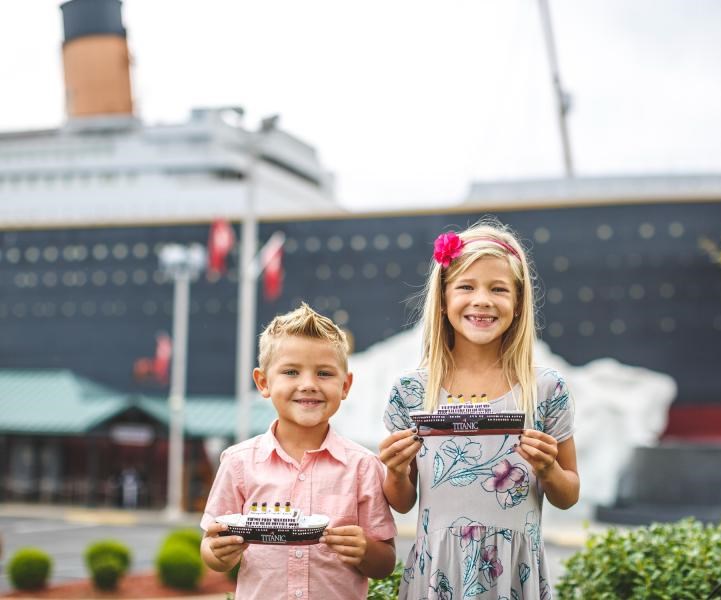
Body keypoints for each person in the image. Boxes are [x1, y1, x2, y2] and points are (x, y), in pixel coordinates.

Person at [380, 220, 579, 599]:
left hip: (513, 572)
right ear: (443, 299)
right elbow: (402, 502)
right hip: (437, 570)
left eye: (498, 289)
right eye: (466, 286)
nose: (482, 300)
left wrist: (549, 469)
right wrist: (393, 468)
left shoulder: (545, 388)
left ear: (518, 303)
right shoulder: (411, 391)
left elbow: (568, 495)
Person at [200, 303, 397, 600]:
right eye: (291, 372)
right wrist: (218, 554)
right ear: (263, 382)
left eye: (324, 373)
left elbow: (386, 562)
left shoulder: (364, 466)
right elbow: (210, 543)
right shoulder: (238, 462)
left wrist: (365, 550)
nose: (308, 385)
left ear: (345, 385)